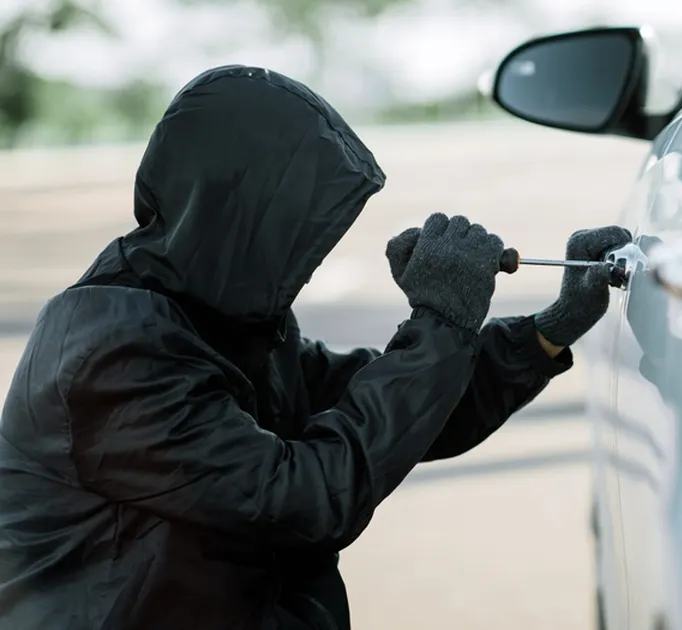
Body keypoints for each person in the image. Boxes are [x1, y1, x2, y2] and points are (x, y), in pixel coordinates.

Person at [0, 64, 631, 630]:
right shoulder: (110, 355)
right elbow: (305, 496)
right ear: (231, 210)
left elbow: (393, 416)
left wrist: (549, 327)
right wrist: (441, 320)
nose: (309, 259)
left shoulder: (222, 315)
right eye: (295, 231)